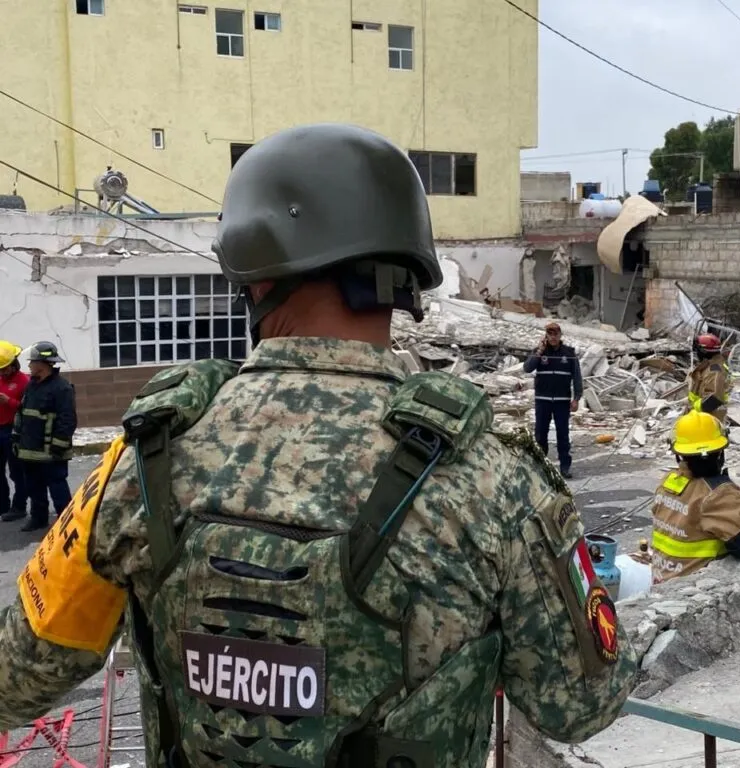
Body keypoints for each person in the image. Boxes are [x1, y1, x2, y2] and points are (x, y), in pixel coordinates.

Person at [0, 123, 636, 768]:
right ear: (407, 272)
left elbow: (19, 674)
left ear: (251, 263)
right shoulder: (494, 481)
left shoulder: (146, 457)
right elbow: (584, 706)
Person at [650, 410, 740, 583]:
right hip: (693, 583)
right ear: (720, 452)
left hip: (662, 578)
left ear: (679, 454)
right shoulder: (718, 494)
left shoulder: (669, 481)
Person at [12, 341, 76, 533]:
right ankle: (38, 518)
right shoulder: (32, 385)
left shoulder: (62, 388)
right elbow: (22, 414)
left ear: (43, 364)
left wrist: (58, 446)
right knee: (34, 487)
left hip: (50, 451)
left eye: (33, 361)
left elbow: (68, 420)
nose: (29, 365)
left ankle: (67, 523)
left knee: (58, 488)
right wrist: (16, 438)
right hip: (29, 450)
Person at [524, 321, 583, 478]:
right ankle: (541, 468)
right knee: (540, 435)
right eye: (550, 334)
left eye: (556, 334)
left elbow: (577, 377)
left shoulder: (569, 353)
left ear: (560, 335)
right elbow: (527, 368)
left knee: (563, 435)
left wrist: (577, 398)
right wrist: (539, 351)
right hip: (542, 400)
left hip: (562, 401)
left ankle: (565, 467)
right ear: (546, 336)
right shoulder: (540, 352)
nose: (553, 337)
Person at [0, 341, 28, 523]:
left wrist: (8, 401)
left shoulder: (25, 381)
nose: (2, 373)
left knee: (17, 472)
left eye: (4, 369)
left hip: (14, 430)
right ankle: (2, 505)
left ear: (13, 364)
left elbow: (27, 409)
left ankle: (19, 506)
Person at [687, 332, 731, 424]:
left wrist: (693, 409)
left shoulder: (714, 370)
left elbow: (714, 399)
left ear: (704, 351)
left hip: (709, 420)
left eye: (698, 350)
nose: (696, 353)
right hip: (701, 416)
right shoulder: (708, 366)